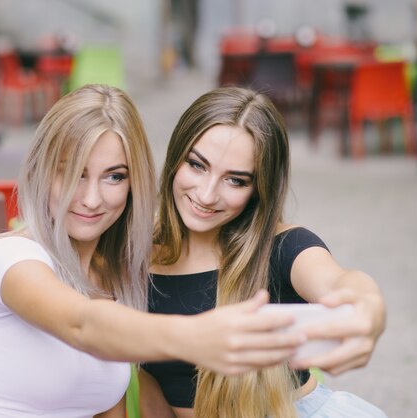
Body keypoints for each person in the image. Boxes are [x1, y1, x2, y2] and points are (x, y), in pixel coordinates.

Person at [0, 84, 307, 418]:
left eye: (114, 176)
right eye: (72, 173)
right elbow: (82, 324)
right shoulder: (9, 259)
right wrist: (196, 336)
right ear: (41, 170)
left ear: (136, 184)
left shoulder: (120, 279)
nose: (92, 199)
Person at [140, 87, 387, 418]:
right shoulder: (136, 253)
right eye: (197, 165)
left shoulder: (284, 247)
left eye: (236, 180)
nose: (207, 194)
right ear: (175, 157)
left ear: (260, 189)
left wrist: (368, 308)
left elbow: (342, 282)